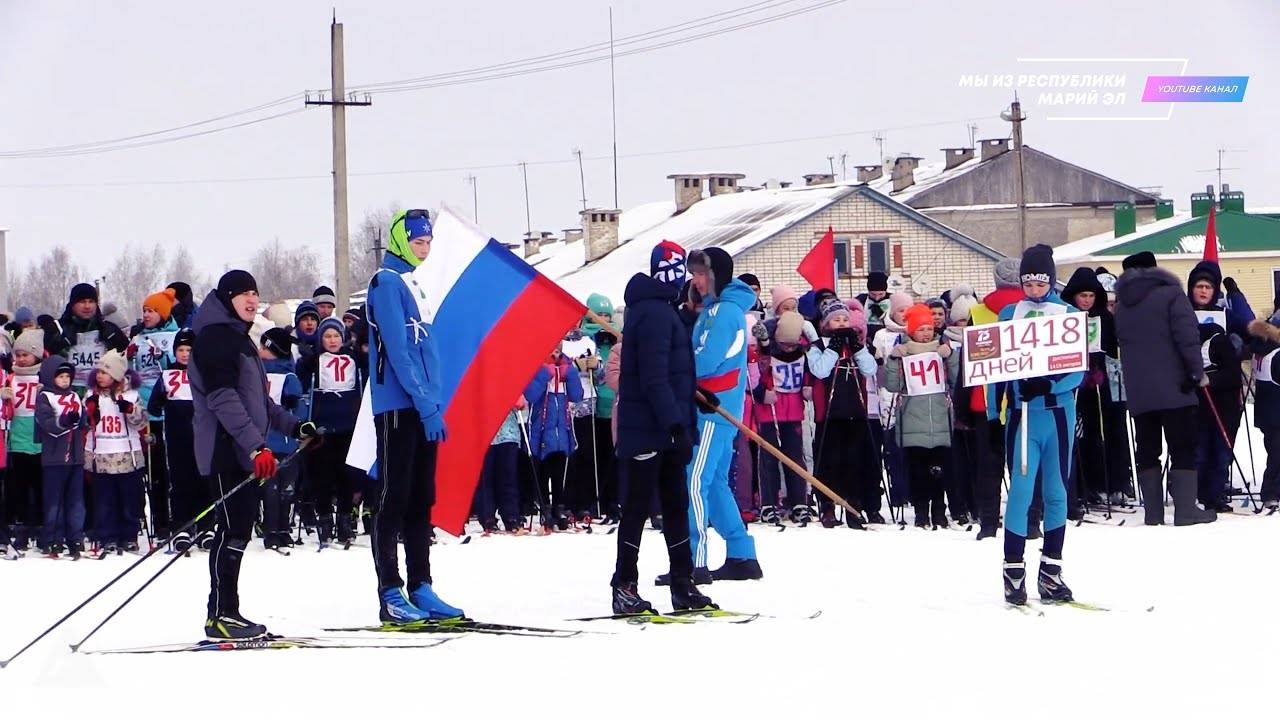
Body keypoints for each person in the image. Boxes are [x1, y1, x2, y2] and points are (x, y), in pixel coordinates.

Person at [190, 270, 315, 639]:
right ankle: (221, 613)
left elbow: (259, 401)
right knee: (232, 530)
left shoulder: (239, 338)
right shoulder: (216, 337)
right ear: (227, 298)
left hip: (242, 449)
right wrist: (255, 445)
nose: (251, 300)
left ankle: (227, 611)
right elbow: (222, 399)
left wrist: (294, 426)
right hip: (224, 450)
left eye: (255, 294)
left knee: (240, 529)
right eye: (243, 293)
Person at [365, 209, 463, 623]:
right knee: (394, 497)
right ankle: (391, 590)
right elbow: (399, 352)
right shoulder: (386, 283)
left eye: (428, 243)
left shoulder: (414, 283)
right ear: (402, 241)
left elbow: (426, 350)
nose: (424, 250)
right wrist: (424, 403)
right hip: (397, 406)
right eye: (418, 243)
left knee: (422, 497)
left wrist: (434, 403)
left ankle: (422, 585)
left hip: (423, 406)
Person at [611, 242, 716, 614]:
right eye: (682, 270)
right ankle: (624, 584)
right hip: (648, 428)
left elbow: (667, 372)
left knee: (675, 505)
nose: (688, 279)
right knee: (639, 508)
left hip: (665, 426)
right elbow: (653, 378)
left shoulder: (663, 310)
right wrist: (675, 423)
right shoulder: (654, 313)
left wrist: (695, 393)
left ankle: (682, 582)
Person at [992, 244, 1083, 606]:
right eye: (1027, 283)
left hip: (1057, 412)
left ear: (1051, 281)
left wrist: (1051, 383)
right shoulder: (1010, 313)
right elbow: (994, 362)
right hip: (1023, 413)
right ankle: (1013, 570)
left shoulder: (1067, 312)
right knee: (1021, 489)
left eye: (1040, 283)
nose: (1033, 290)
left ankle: (1051, 569)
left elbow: (1077, 366)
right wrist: (991, 408)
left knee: (1057, 490)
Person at [1114, 251, 1216, 528]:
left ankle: (1153, 514)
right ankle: (1185, 511)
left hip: (1139, 391)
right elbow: (1187, 337)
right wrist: (1196, 373)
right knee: (1182, 446)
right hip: (1175, 386)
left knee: (1147, 449)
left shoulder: (1122, 306)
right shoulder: (1171, 295)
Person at [678, 247, 762, 583]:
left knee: (693, 481)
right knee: (712, 484)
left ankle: (693, 562)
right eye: (694, 274)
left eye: (701, 274)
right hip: (717, 408)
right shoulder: (715, 311)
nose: (695, 281)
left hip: (712, 409)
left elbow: (705, 361)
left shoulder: (724, 313)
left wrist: (671, 369)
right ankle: (742, 554)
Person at [884, 304, 960, 528]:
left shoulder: (942, 349)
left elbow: (956, 381)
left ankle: (939, 510)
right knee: (917, 472)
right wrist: (893, 360)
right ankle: (920, 511)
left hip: (940, 421)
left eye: (929, 328)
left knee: (940, 471)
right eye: (921, 329)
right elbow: (892, 385)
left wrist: (952, 358)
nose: (926, 333)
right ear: (911, 331)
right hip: (912, 421)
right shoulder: (904, 351)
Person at [808, 297, 879, 527]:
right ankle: (827, 505)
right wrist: (834, 348)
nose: (841, 323)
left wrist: (857, 348)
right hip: (829, 414)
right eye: (836, 320)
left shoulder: (855, 343)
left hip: (855, 411)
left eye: (845, 319)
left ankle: (854, 506)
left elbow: (869, 369)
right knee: (829, 462)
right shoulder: (818, 346)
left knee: (855, 461)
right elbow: (819, 371)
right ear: (826, 323)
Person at [969, 259, 1024, 539]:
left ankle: (988, 523)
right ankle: (1029, 521)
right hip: (1026, 399)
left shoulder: (978, 312)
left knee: (989, 467)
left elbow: (969, 363)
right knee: (1025, 465)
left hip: (986, 401)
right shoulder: (1036, 310)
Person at [298, 317, 365, 547]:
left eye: (336, 335)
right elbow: (302, 374)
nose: (332, 340)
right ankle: (325, 519)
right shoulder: (315, 360)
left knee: (347, 475)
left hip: (348, 425)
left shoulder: (353, 358)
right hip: (323, 427)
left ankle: (345, 520)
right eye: (327, 336)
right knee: (322, 476)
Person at [1186, 261, 1247, 512]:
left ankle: (1215, 493)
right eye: (1198, 286)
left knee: (1222, 449)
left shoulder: (1226, 315)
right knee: (1199, 448)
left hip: (1224, 397)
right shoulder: (1182, 315)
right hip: (1195, 396)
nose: (1203, 291)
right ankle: (1194, 493)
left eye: (1208, 287)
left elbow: (1249, 328)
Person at [147, 328, 207, 553]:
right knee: (181, 483)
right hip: (177, 438)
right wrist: (161, 399)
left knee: (203, 480)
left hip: (202, 438)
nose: (184, 354)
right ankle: (182, 527)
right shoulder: (167, 375)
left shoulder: (204, 374)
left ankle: (206, 526)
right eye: (180, 350)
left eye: (189, 350)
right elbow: (154, 406)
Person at [84, 350, 147, 554]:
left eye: (106, 372)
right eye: (99, 371)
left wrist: (130, 410)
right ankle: (107, 536)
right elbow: (86, 424)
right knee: (105, 501)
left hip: (127, 456)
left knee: (129, 500)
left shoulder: (131, 395)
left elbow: (141, 422)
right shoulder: (92, 395)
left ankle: (129, 535)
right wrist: (90, 413)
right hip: (102, 456)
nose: (100, 376)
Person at [753, 308, 813, 523]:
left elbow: (809, 374)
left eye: (793, 345)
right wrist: (762, 394)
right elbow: (757, 376)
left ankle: (799, 500)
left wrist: (808, 388)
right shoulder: (769, 353)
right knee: (768, 458)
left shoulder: (802, 353)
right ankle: (769, 502)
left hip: (794, 411)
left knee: (795, 457)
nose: (789, 348)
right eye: (785, 345)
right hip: (770, 412)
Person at [131, 288, 180, 540]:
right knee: (155, 472)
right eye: (144, 311)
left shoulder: (175, 336)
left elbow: (179, 365)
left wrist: (163, 360)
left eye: (151, 311)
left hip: (171, 410)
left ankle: (178, 518)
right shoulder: (138, 338)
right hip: (146, 412)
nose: (147, 315)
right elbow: (132, 373)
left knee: (174, 470)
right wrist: (127, 361)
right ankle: (160, 521)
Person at [524, 344, 583, 531]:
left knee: (559, 472)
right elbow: (531, 395)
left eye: (558, 349)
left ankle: (559, 507)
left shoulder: (567, 367)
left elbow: (577, 395)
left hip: (561, 429)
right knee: (542, 470)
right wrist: (544, 374)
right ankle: (545, 507)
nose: (555, 353)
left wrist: (571, 373)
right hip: (542, 429)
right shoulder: (536, 365)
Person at [34, 357, 86, 558]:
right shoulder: (45, 396)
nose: (65, 380)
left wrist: (83, 416)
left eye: (67, 376)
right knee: (54, 500)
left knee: (75, 500)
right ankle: (52, 538)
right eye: (60, 376)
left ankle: (75, 538)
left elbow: (81, 422)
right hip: (54, 456)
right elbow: (46, 422)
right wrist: (64, 421)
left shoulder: (74, 395)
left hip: (75, 456)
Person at [258, 328, 304, 550]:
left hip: (286, 442)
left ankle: (284, 528)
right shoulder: (256, 373)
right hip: (265, 441)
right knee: (270, 488)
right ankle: (270, 529)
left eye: (264, 348)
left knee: (287, 488)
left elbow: (297, 403)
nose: (260, 351)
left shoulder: (288, 376)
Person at [45, 283, 129, 391]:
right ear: (73, 304)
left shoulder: (109, 330)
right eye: (82, 302)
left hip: (101, 393)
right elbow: (45, 361)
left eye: (91, 301)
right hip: (67, 395)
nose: (87, 306)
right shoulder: (57, 329)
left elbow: (126, 359)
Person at [4, 330, 44, 553]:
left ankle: (39, 525)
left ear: (36, 356)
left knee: (38, 486)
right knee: (19, 486)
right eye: (17, 354)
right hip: (17, 440)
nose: (20, 359)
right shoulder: (11, 377)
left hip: (38, 441)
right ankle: (20, 527)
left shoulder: (43, 377)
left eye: (25, 355)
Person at [477, 397, 527, 535]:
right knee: (486, 478)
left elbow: (523, 400)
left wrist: (520, 398)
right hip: (484, 431)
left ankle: (511, 516)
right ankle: (487, 517)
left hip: (507, 432)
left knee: (508, 477)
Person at [1247, 314, 1280, 510]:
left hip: (1266, 413)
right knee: (1277, 456)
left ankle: (1271, 491)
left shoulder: (1261, 349)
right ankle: (1270, 492)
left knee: (1274, 453)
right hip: (1276, 412)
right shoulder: (1276, 353)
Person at [856, 271, 891, 351]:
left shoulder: (893, 300)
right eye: (873, 294)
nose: (877, 298)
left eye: (881, 294)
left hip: (886, 340)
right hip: (866, 339)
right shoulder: (861, 300)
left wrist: (882, 315)